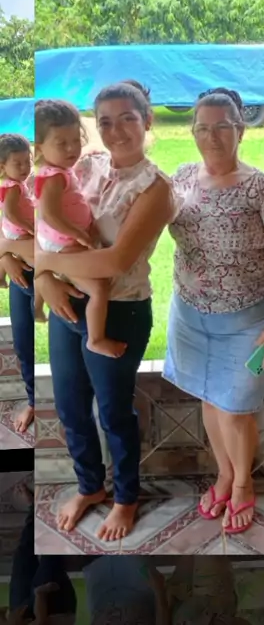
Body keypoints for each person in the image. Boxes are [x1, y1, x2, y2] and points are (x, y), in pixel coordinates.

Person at [34, 81, 176, 541]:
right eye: (106, 122)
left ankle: (126, 497)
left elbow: (115, 261)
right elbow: (44, 222)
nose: (116, 131)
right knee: (70, 405)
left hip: (120, 312)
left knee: (113, 413)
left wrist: (46, 263)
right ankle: (90, 486)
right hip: (67, 302)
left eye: (128, 119)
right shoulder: (85, 165)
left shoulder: (156, 189)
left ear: (147, 120)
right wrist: (44, 277)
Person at [163, 87, 264, 534]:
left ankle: (242, 484)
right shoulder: (182, 177)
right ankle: (223, 475)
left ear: (241, 130)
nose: (212, 136)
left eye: (222, 126)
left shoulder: (261, 187)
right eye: (202, 127)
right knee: (209, 398)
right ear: (192, 131)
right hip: (190, 317)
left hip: (249, 323)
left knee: (236, 409)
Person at [34, 99, 125, 357]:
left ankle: (38, 305)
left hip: (59, 241)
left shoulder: (59, 170)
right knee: (99, 288)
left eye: (76, 140)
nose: (72, 148)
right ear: (40, 147)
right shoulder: (53, 177)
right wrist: (77, 233)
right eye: (61, 143)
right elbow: (48, 214)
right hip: (63, 244)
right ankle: (96, 339)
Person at [83, 555, 251, 625]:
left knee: (191, 543)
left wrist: (160, 592)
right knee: (206, 542)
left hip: (179, 605)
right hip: (211, 598)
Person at [0, 133, 36, 433]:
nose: (26, 167)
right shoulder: (12, 187)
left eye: (28, 161)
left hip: (37, 267)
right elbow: (10, 216)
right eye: (18, 163)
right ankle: (34, 399)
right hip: (21, 266)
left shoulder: (28, 184)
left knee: (29, 338)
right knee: (24, 340)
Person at [7, 482, 77, 625]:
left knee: (22, 555)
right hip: (53, 613)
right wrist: (39, 595)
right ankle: (56, 509)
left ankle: (33, 508)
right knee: (49, 557)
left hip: (21, 617)